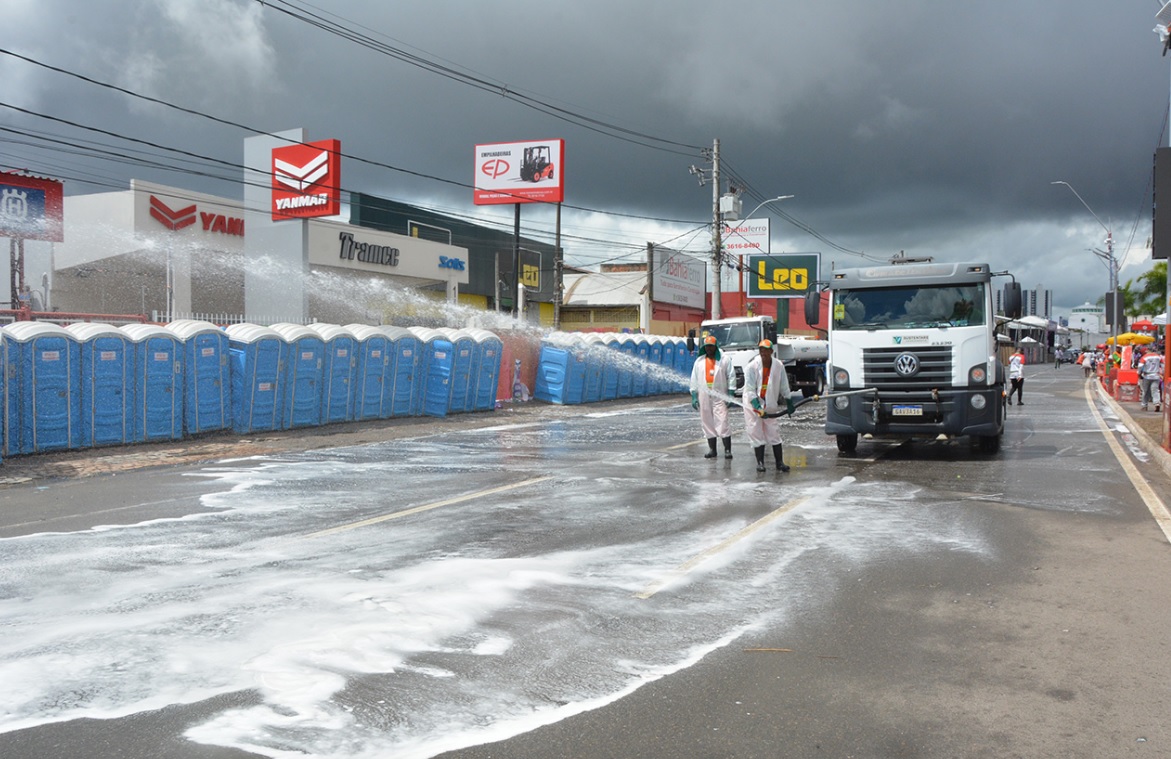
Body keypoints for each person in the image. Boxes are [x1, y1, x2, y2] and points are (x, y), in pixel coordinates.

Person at [742, 339, 796, 473]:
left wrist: (789, 402)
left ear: (772, 351)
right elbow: (749, 389)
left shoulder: (778, 365)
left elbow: (784, 385)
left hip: (770, 402)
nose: (763, 353)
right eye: (761, 350)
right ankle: (760, 463)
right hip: (752, 402)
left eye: (766, 350)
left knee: (773, 431)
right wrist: (757, 406)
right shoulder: (752, 366)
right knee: (756, 431)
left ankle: (779, 463)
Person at [689, 335, 735, 459]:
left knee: (722, 421)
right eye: (707, 346)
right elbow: (694, 379)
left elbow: (731, 376)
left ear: (716, 347)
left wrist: (730, 394)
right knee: (707, 421)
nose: (709, 349)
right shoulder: (699, 361)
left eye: (711, 346)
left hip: (720, 395)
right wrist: (694, 395)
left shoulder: (724, 360)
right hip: (704, 395)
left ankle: (727, 450)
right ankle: (712, 450)